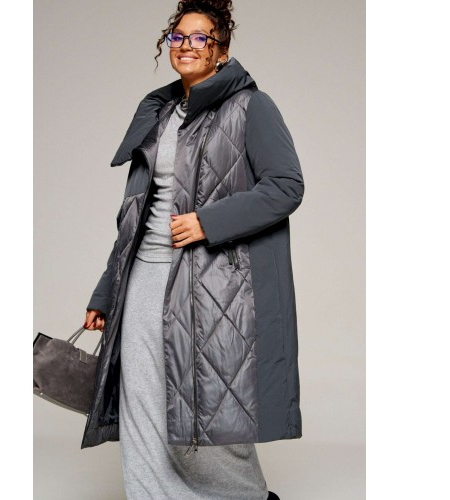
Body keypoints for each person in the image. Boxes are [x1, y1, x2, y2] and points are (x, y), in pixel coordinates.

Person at [82, 1, 304, 498]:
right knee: (141, 400)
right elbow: (134, 214)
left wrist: (207, 222)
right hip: (143, 276)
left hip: (212, 284)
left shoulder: (251, 106)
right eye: (177, 37)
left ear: (221, 50)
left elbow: (287, 186)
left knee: (208, 415)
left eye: (200, 37)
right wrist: (105, 292)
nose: (186, 46)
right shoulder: (160, 113)